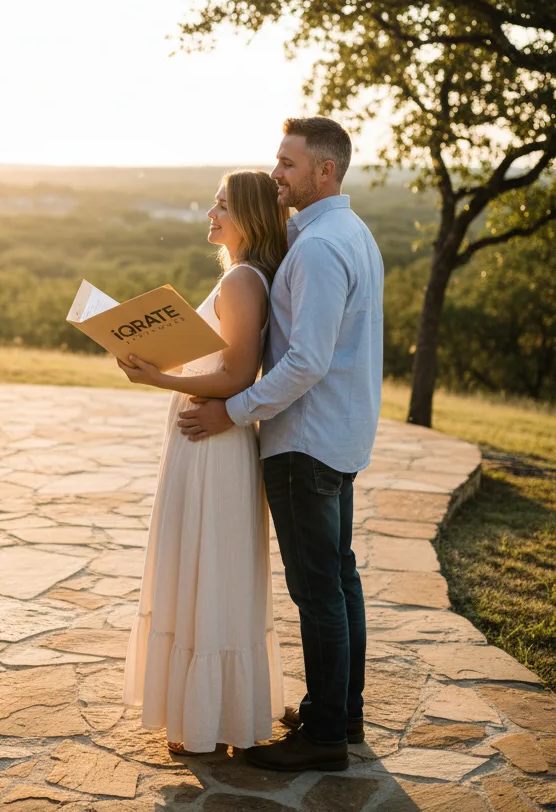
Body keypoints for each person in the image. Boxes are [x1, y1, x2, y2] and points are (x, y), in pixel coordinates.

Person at [178, 117, 385, 773]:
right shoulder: (345, 233)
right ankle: (339, 709)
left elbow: (306, 363)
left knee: (318, 588)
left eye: (288, 164)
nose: (276, 175)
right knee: (340, 580)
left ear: (324, 171)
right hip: (339, 434)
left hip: (306, 439)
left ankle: (325, 737)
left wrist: (232, 412)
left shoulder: (321, 249)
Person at [119, 168, 288, 754]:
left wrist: (155, 377)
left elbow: (239, 374)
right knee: (201, 565)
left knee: (210, 567)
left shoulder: (243, 280)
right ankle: (209, 714)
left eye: (221, 206)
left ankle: (210, 720)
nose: (210, 214)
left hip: (215, 444)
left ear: (248, 216)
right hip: (202, 436)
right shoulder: (241, 277)